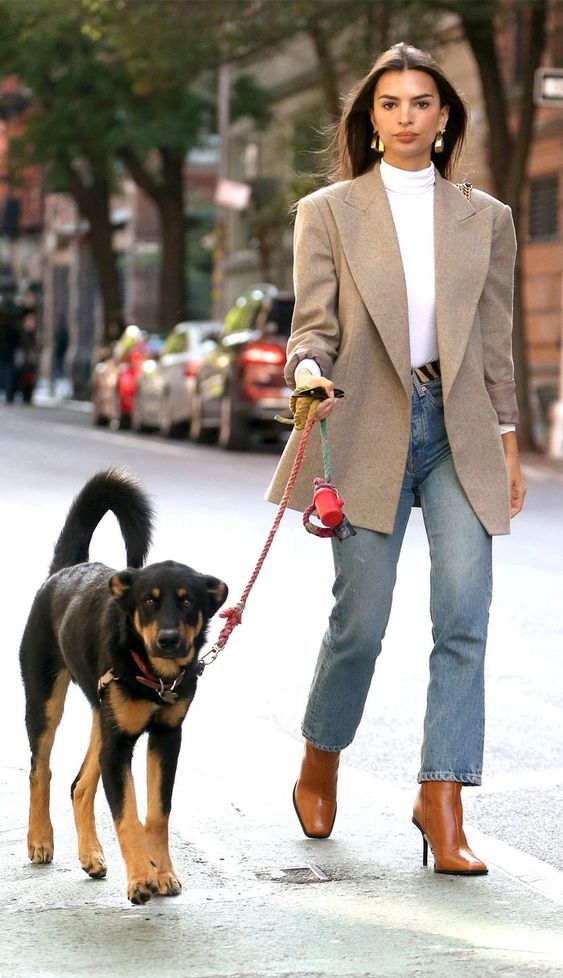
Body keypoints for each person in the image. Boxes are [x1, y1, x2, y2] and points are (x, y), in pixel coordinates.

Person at [266, 42, 526, 876]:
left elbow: (494, 339)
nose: (406, 117)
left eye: (420, 103)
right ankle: (321, 754)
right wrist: (306, 372)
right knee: (360, 623)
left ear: (443, 116)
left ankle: (441, 797)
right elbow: (312, 328)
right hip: (365, 423)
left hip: (459, 428)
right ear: (370, 120)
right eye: (389, 104)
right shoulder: (328, 211)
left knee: (463, 616)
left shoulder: (485, 217)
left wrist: (508, 441)